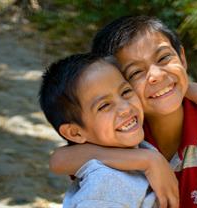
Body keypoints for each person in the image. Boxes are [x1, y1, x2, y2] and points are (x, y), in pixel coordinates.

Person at [49, 15, 197, 208]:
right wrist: (149, 160)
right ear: (116, 82)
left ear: (182, 58)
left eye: (164, 58)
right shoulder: (125, 129)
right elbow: (60, 159)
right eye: (136, 72)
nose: (155, 75)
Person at [40, 53, 159, 207]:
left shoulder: (136, 148)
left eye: (126, 92)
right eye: (104, 106)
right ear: (75, 133)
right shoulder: (107, 183)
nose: (125, 108)